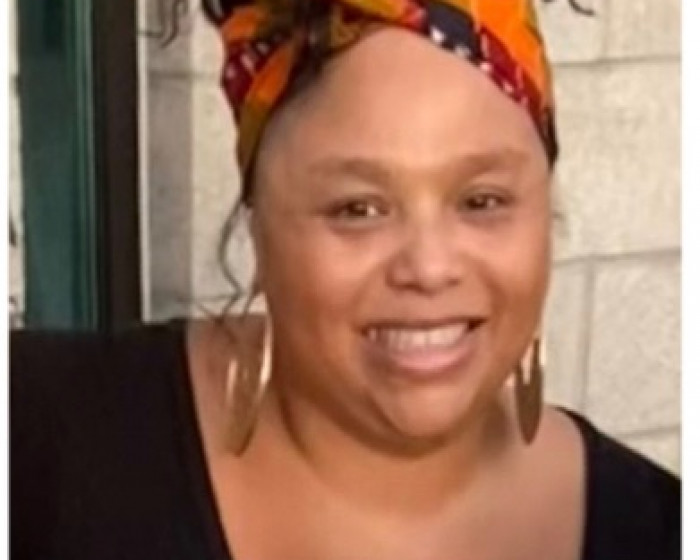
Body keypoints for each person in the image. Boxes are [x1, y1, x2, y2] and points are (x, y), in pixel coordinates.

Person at [11, 1, 680, 559]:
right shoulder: (41, 445)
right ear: (258, 223)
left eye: (483, 201)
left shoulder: (658, 529)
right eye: (358, 209)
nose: (430, 268)